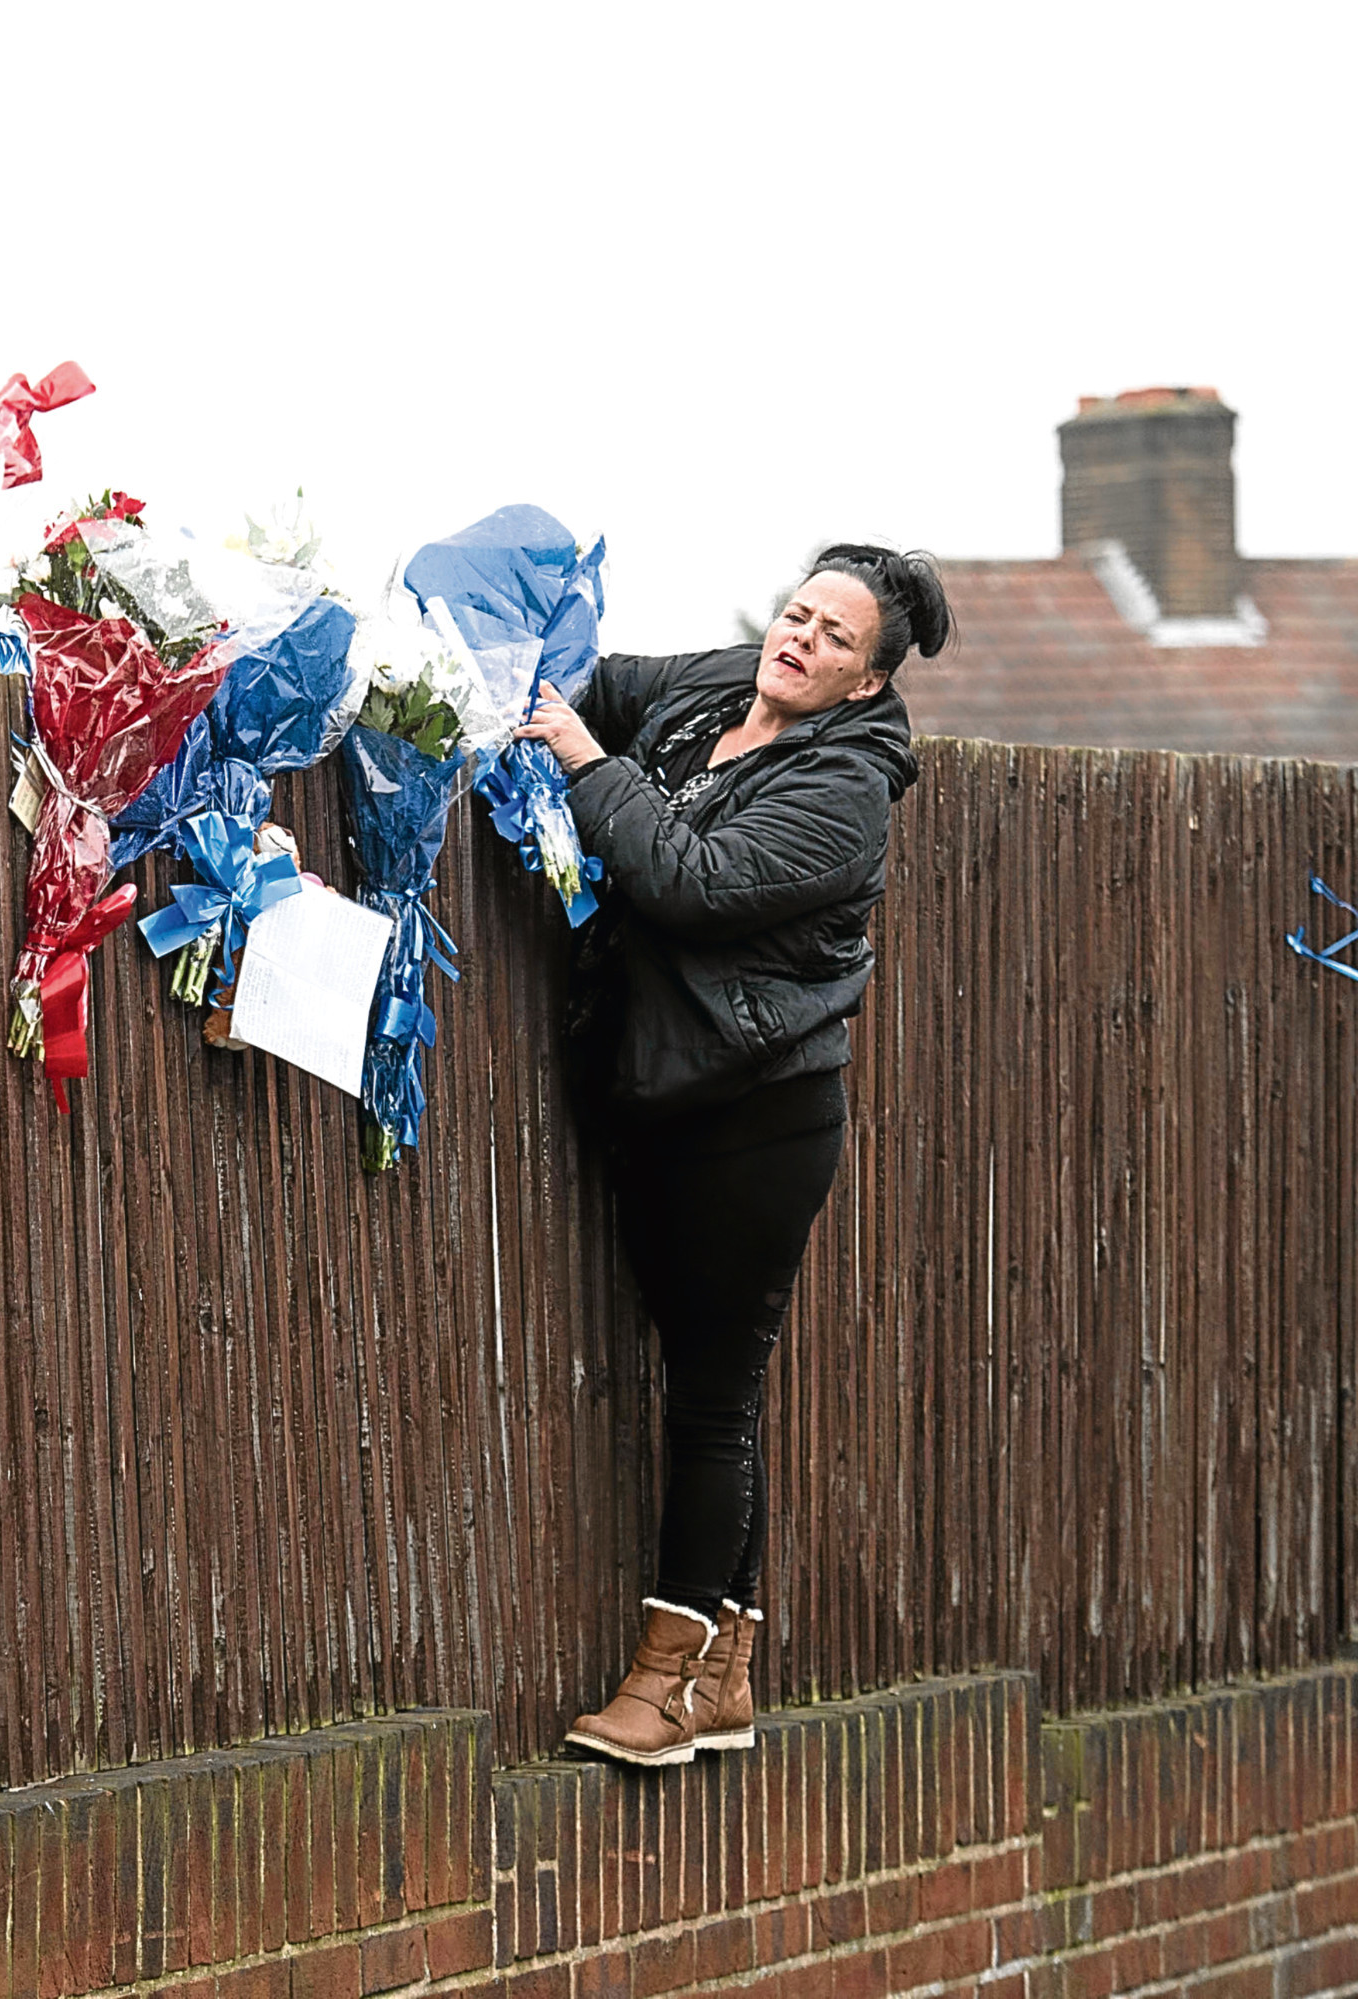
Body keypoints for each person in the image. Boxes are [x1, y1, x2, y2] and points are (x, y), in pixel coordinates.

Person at [511, 543, 950, 1769]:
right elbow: (591, 680)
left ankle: (663, 1684)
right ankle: (729, 1672)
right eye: (797, 614)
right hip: (663, 1096)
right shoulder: (715, 686)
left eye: (833, 639)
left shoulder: (848, 786)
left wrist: (590, 769)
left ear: (866, 683)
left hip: (756, 1116)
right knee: (718, 1388)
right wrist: (475, 674)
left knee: (714, 1392)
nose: (799, 639)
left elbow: (690, 881)